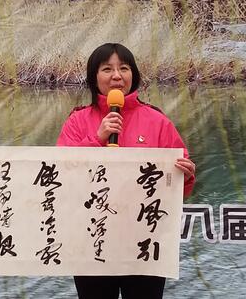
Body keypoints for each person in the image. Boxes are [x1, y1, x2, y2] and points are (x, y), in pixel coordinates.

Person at [56, 42, 196, 299]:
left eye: (123, 68)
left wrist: (185, 176)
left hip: (144, 240)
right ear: (94, 77)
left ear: (134, 74)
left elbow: (179, 190)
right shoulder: (77, 121)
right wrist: (97, 138)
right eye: (107, 69)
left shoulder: (157, 121)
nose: (117, 76)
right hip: (91, 241)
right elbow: (61, 175)